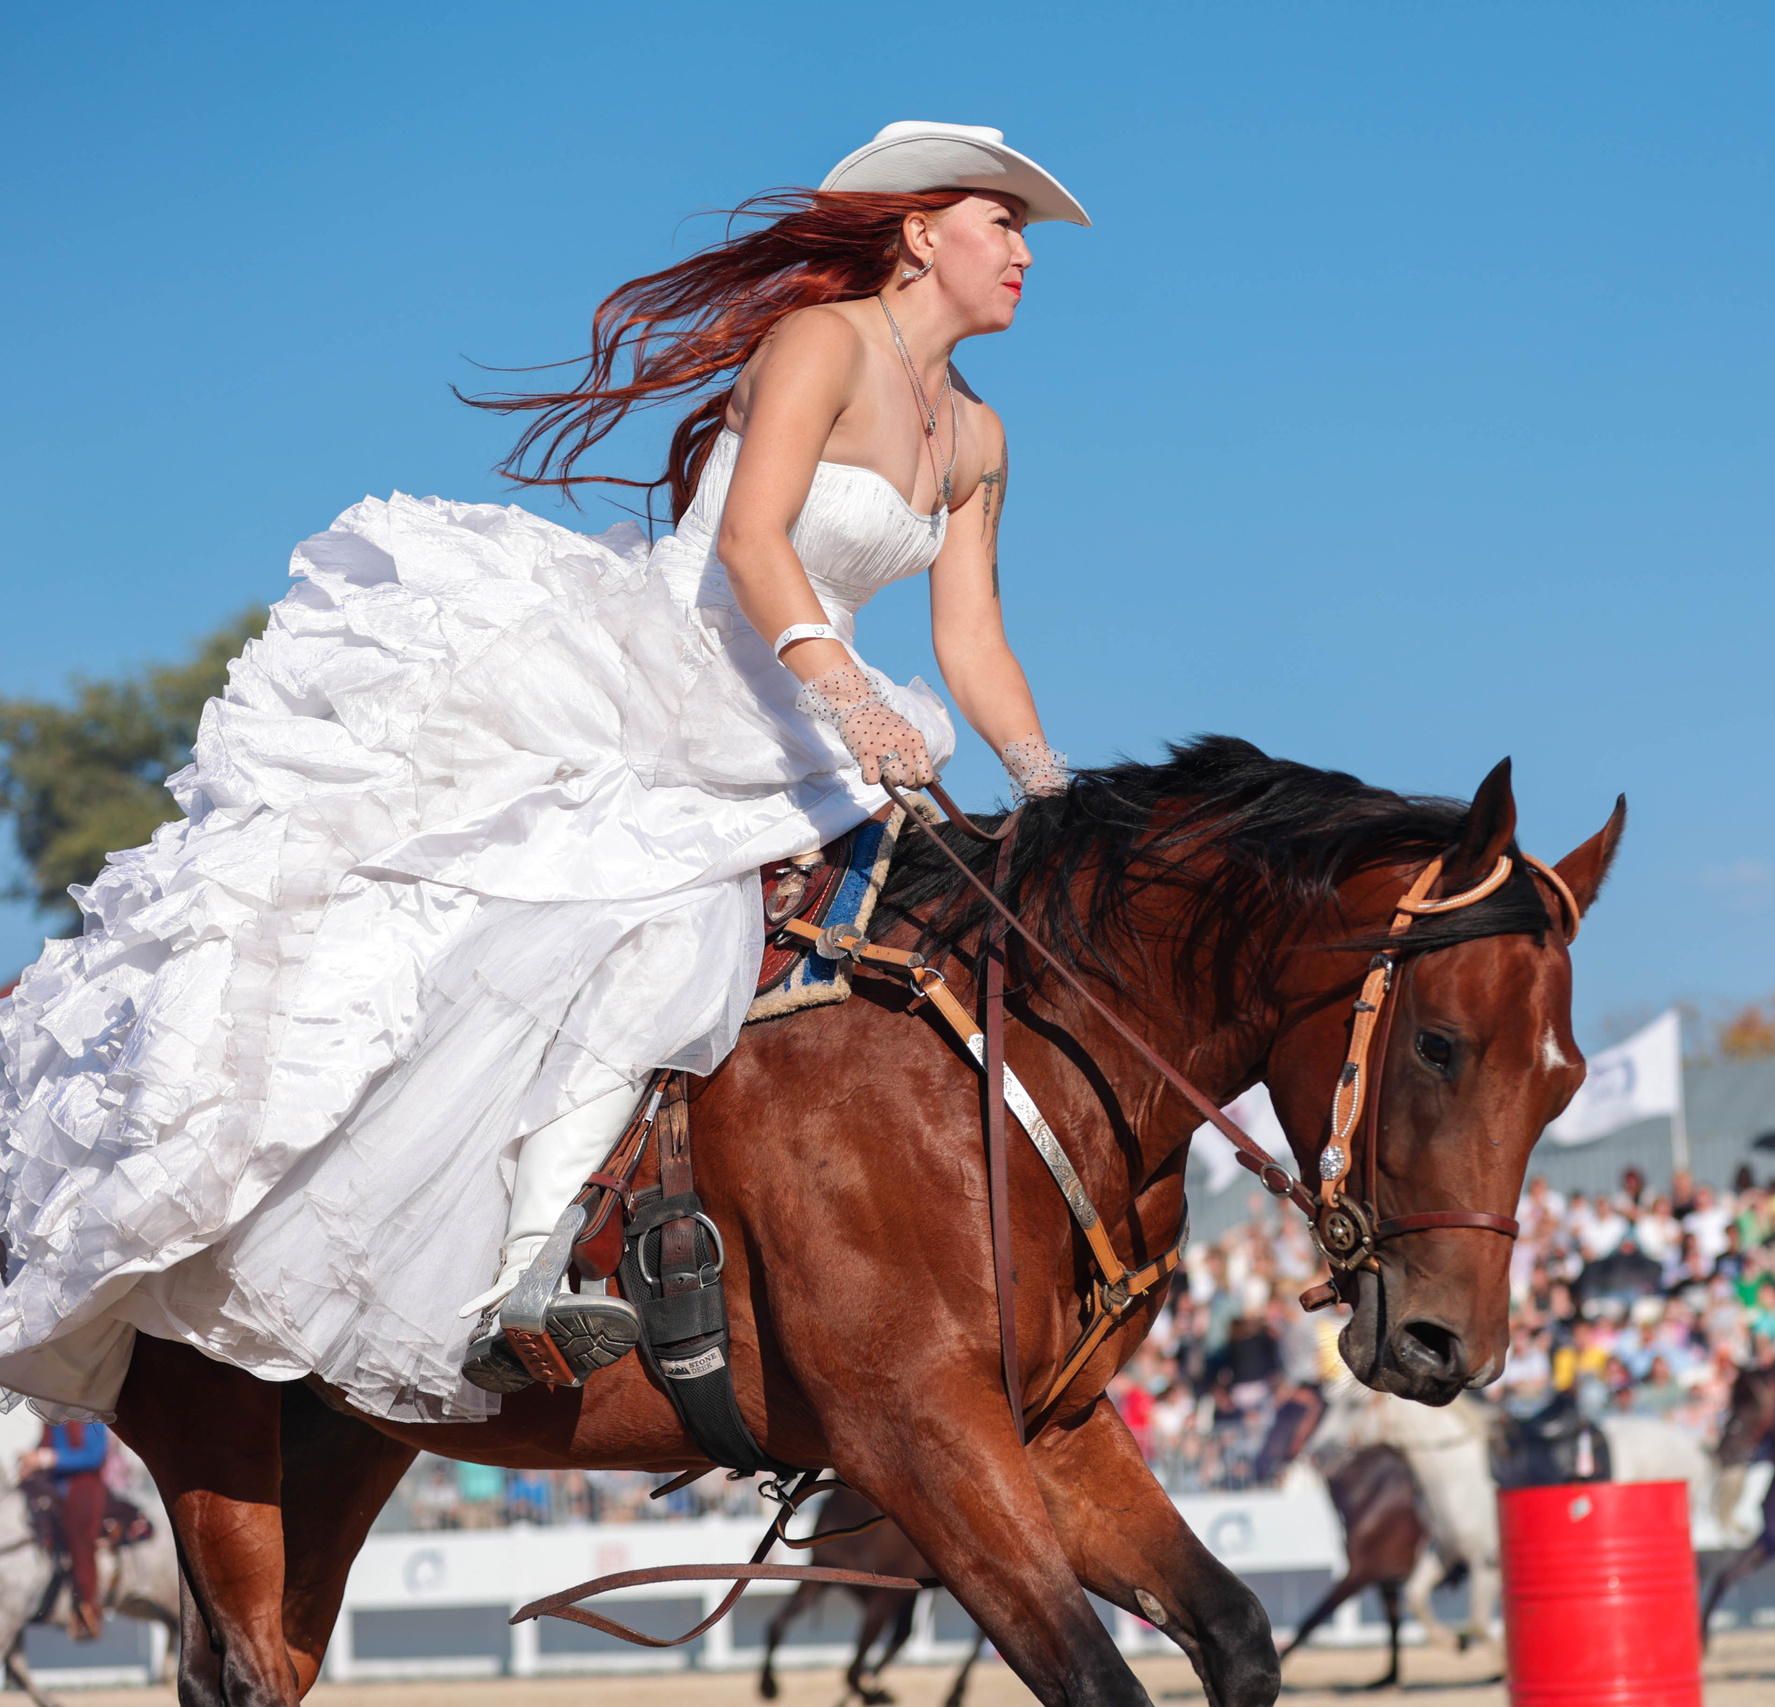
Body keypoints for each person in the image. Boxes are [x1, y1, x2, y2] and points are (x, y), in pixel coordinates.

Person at [0, 122, 1088, 1421]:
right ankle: (520, 1275)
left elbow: (971, 638)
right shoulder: (823, 344)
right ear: (921, 233)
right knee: (666, 929)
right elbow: (749, 539)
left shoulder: (977, 435)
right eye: (1001, 222)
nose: (1023, 251)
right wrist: (846, 690)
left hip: (818, 717)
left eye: (1024, 231)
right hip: (689, 669)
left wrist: (1053, 793)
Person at [19, 1420, 112, 1637]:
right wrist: (29, 1462)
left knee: (80, 1532)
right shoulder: (50, 1411)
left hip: (82, 1487)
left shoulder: (92, 1413)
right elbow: (45, 1444)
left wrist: (47, 1458)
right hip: (53, 1486)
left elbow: (94, 1455)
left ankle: (86, 1604)